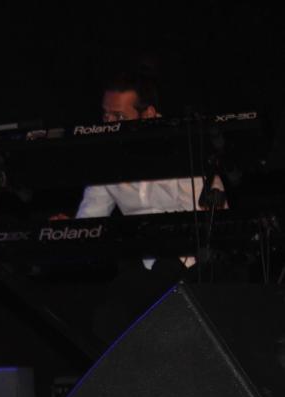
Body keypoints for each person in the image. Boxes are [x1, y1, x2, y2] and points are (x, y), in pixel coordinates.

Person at [74, 70, 226, 347]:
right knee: (104, 319)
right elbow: (89, 221)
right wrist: (68, 230)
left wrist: (169, 268)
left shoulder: (184, 145)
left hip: (192, 266)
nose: (109, 125)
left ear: (149, 115)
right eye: (106, 116)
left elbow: (206, 222)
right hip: (142, 266)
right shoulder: (106, 159)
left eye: (119, 117)